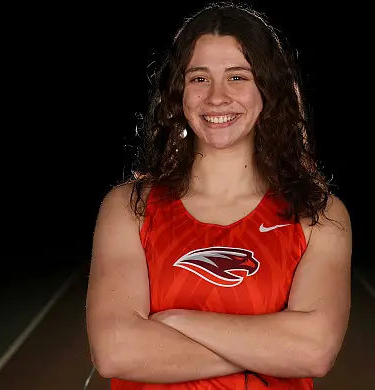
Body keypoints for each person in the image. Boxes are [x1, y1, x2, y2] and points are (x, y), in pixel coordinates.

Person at [85, 2, 352, 389]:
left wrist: (176, 321)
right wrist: (270, 350)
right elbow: (115, 351)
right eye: (198, 78)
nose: (216, 97)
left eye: (237, 77)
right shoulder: (130, 208)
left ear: (268, 89)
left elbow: (313, 351)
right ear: (179, 93)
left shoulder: (316, 215)